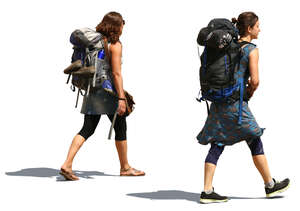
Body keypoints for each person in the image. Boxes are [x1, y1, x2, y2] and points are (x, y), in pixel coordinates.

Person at [197, 12, 290, 203]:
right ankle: (270, 185)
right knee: (254, 137)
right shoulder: (251, 50)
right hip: (236, 105)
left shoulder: (226, 46)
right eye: (257, 26)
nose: (260, 29)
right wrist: (248, 94)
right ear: (249, 28)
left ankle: (207, 190)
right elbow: (255, 81)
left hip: (219, 101)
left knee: (218, 142)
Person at [60, 11, 145, 180]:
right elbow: (116, 74)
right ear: (117, 26)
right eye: (121, 25)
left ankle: (67, 164)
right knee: (120, 126)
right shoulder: (115, 44)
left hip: (92, 89)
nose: (122, 28)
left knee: (87, 128)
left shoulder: (95, 41)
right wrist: (121, 98)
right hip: (107, 92)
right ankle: (125, 167)